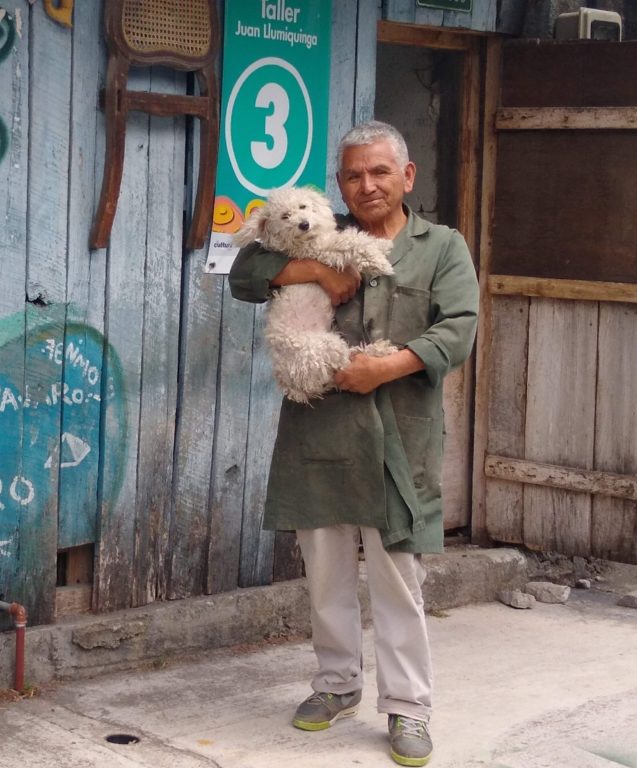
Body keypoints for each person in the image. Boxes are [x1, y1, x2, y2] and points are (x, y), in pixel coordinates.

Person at [228, 120, 479, 767]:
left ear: (407, 177)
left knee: (398, 583)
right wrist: (309, 266)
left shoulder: (442, 247)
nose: (365, 185)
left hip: (399, 441)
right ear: (338, 183)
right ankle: (336, 686)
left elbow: (459, 330)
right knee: (326, 577)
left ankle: (409, 709)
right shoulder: (319, 232)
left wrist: (384, 367)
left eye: (378, 172)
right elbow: (243, 272)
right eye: (352, 175)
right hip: (320, 434)